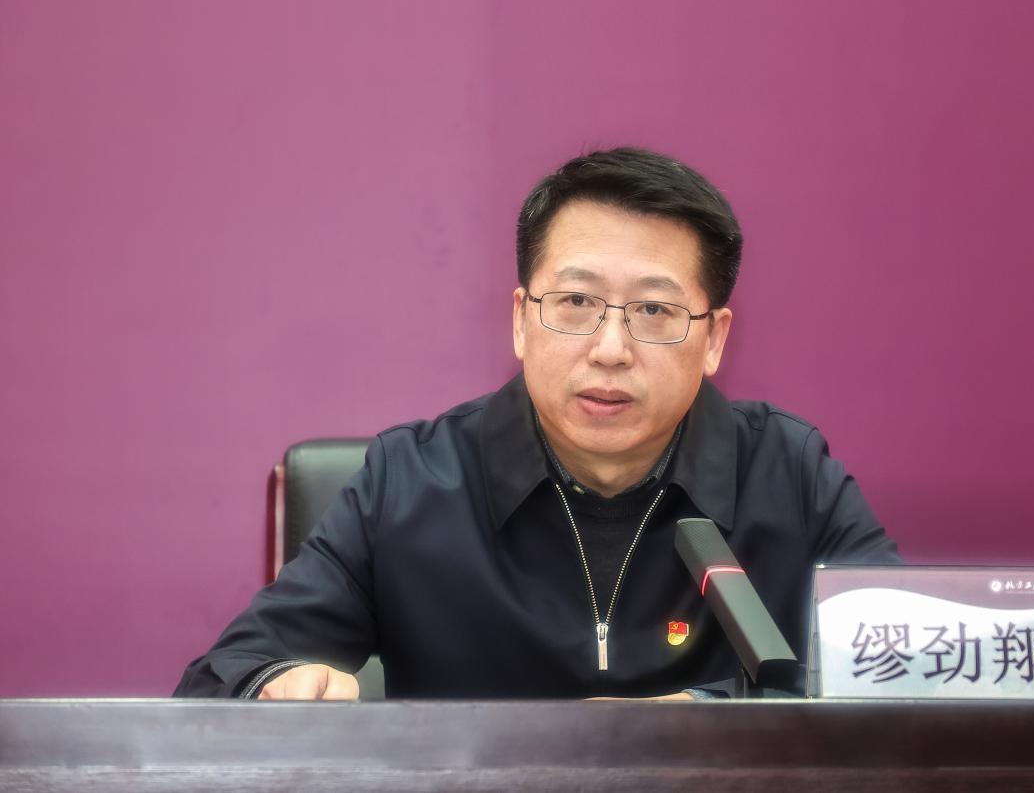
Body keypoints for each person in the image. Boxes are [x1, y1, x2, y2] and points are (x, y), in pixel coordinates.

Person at [174, 147, 900, 700]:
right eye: (576, 302)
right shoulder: (411, 484)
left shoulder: (789, 474)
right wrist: (276, 686)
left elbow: (909, 676)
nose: (610, 350)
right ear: (521, 320)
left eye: (654, 311)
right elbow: (222, 679)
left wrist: (712, 721)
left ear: (713, 339)